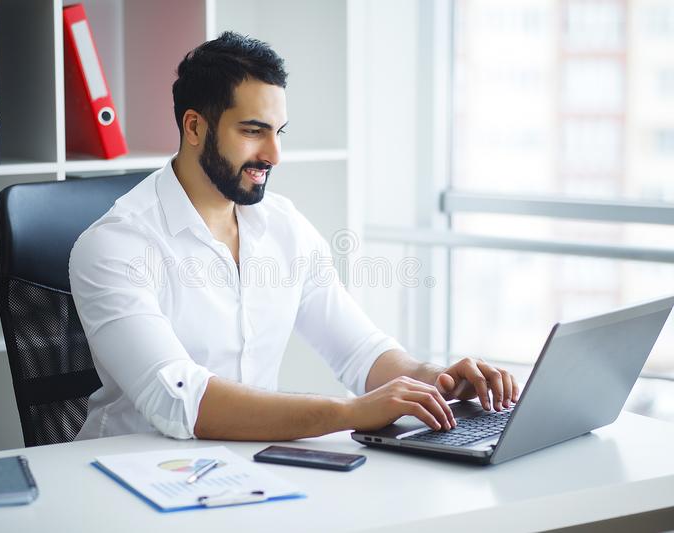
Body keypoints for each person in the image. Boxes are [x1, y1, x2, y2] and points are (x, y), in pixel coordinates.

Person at [69, 31, 519, 442]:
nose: (274, 155)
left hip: (250, 471)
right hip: (131, 476)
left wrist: (434, 380)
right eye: (252, 131)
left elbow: (360, 352)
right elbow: (181, 402)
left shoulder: (283, 226)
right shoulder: (115, 246)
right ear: (193, 127)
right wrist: (350, 413)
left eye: (278, 132)